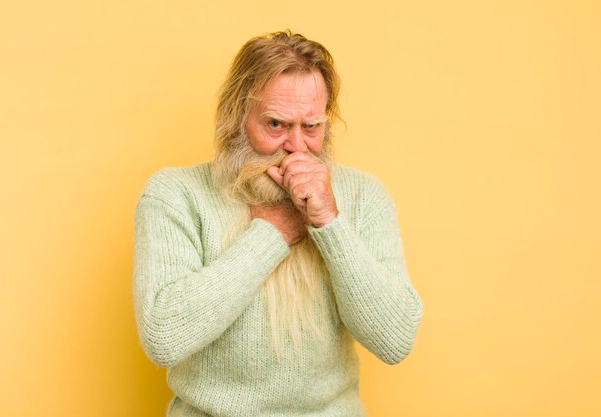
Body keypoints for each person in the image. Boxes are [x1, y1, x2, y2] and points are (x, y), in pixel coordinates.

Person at [133, 30, 423, 417]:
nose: (297, 148)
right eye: (276, 125)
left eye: (312, 127)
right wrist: (272, 235)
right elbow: (164, 336)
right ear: (236, 118)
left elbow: (395, 340)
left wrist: (328, 223)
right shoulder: (176, 193)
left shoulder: (364, 196)